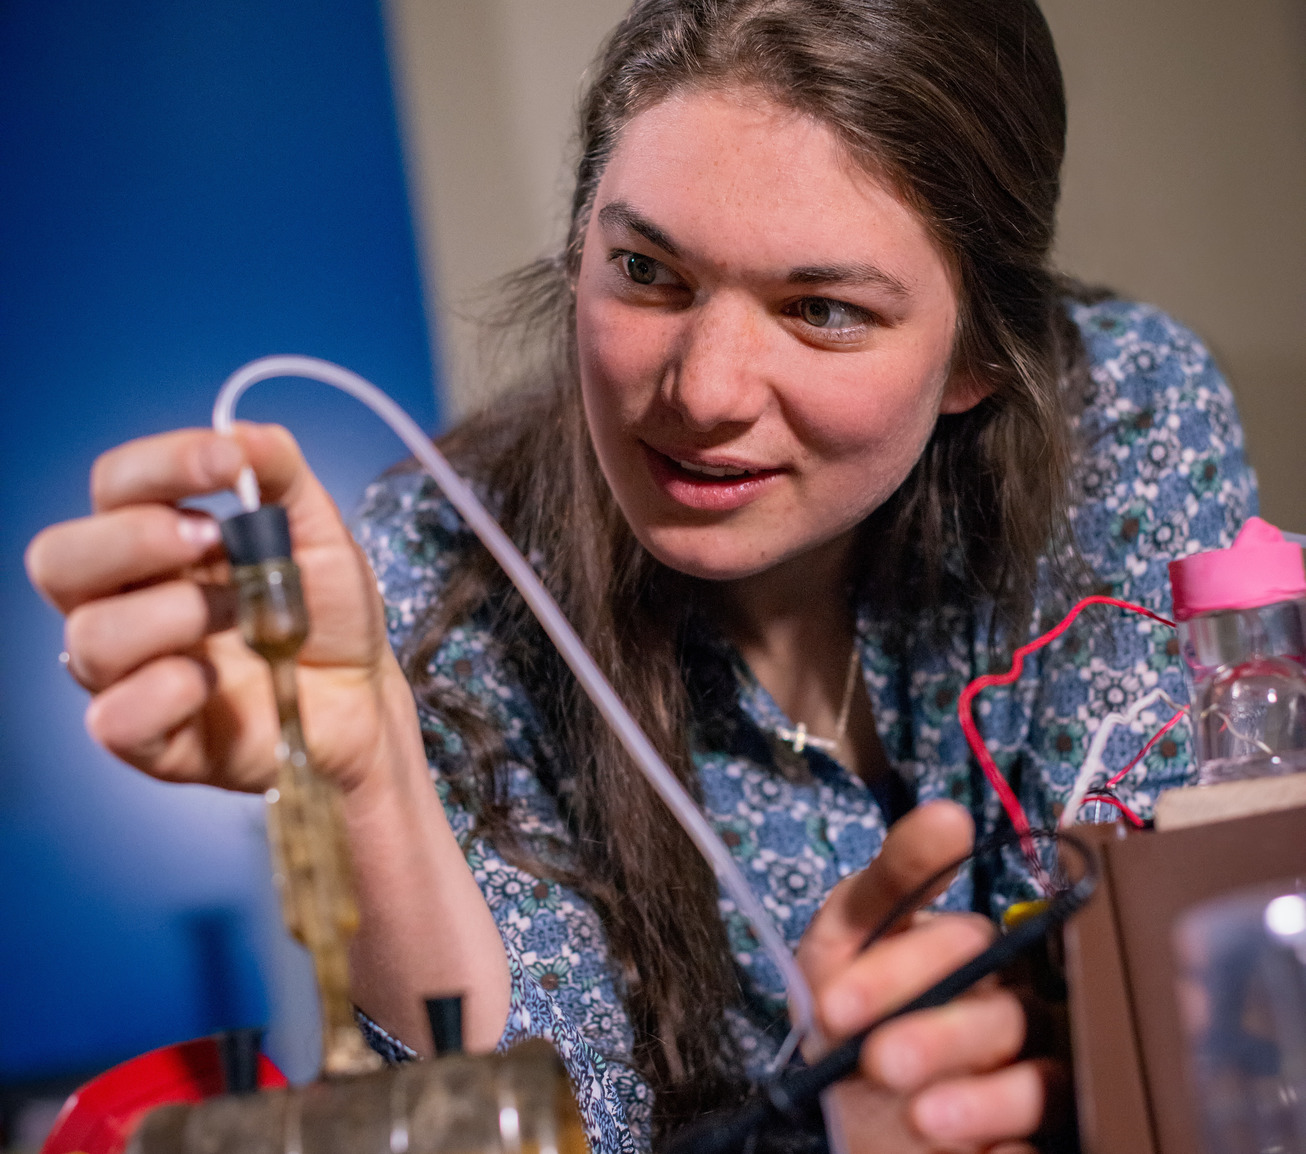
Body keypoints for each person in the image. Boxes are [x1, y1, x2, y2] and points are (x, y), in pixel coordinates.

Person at [27, 0, 1256, 1150]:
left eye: (820, 308)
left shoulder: (1125, 420)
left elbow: (1203, 997)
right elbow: (545, 1122)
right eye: (648, 273)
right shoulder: (428, 577)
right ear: (580, 251)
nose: (701, 393)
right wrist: (370, 775)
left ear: (978, 359)